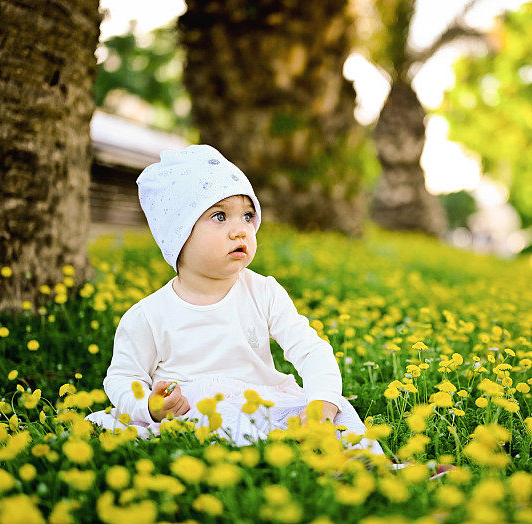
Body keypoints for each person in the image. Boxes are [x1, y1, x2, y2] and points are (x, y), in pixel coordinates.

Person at [84, 144, 385, 454]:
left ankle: (372, 469)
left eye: (247, 215)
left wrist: (321, 403)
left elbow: (310, 350)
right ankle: (282, 463)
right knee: (213, 425)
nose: (240, 230)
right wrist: (150, 405)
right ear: (178, 234)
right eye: (219, 216)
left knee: (341, 412)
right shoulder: (148, 315)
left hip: (267, 402)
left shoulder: (263, 291)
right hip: (196, 413)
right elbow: (123, 377)